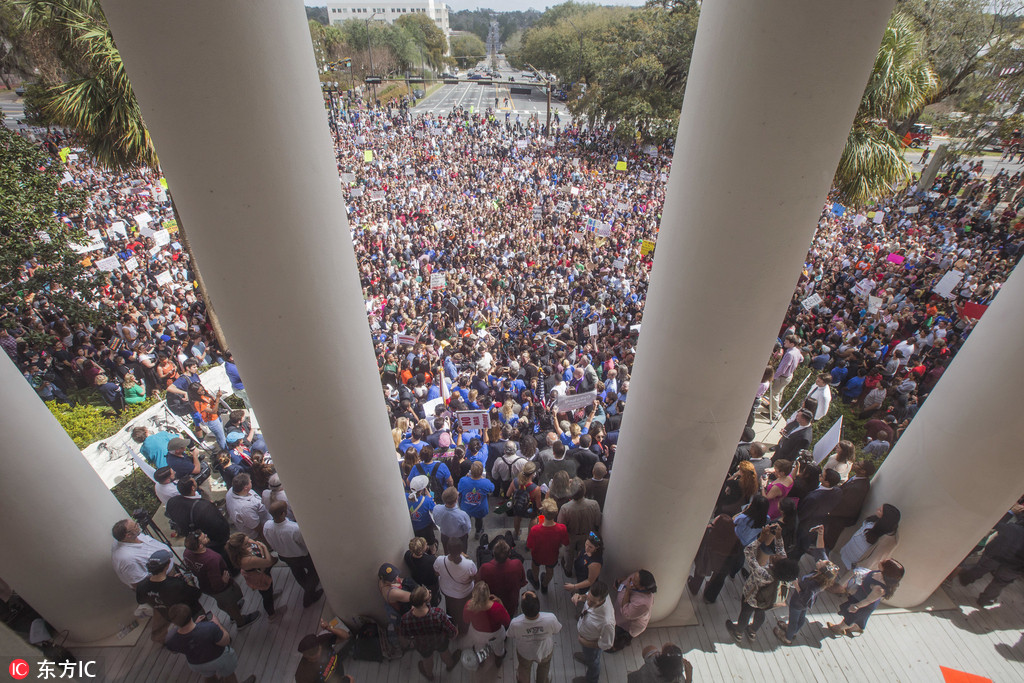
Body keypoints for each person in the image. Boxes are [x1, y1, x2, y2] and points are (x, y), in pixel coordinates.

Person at [725, 524, 800, 642]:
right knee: (760, 614)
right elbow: (781, 551)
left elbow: (748, 552)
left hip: (751, 597)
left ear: (776, 566)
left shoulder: (763, 574)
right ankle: (753, 631)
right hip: (768, 601)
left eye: (776, 558)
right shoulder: (787, 576)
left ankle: (738, 632)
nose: (776, 556)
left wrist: (760, 539)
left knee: (745, 613)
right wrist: (778, 536)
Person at [774, 526, 839, 644]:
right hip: (805, 604)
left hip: (798, 602)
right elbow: (821, 551)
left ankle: (788, 637)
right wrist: (820, 534)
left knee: (794, 620)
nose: (819, 561)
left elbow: (804, 599)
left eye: (821, 563)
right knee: (801, 617)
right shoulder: (823, 576)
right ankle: (793, 631)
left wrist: (797, 585)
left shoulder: (814, 584)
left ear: (821, 571)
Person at [182, 531, 259, 629]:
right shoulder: (212, 559)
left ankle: (233, 612)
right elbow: (217, 585)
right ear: (200, 546)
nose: (206, 535)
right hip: (222, 589)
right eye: (204, 537)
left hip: (205, 586)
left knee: (226, 603)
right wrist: (223, 582)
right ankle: (240, 621)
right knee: (228, 603)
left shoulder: (187, 553)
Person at [165, 604, 256, 683]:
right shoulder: (209, 628)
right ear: (190, 615)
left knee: (208, 675)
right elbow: (226, 640)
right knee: (229, 675)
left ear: (175, 622)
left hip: (196, 664)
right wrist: (217, 624)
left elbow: (175, 649)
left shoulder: (170, 638)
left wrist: (194, 626)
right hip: (219, 658)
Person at [262, 500, 323, 608]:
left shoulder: (267, 526)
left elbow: (269, 541)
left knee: (297, 573)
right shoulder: (294, 529)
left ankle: (307, 589)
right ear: (283, 513)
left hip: (284, 556)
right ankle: (309, 594)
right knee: (314, 572)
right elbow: (304, 543)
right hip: (300, 556)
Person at [136, 549, 203, 644]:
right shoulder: (177, 585)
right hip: (188, 612)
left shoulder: (142, 586)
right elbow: (196, 594)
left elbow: (141, 600)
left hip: (168, 614)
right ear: (167, 566)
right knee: (201, 625)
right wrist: (189, 582)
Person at [828, 558, 905, 636]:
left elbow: (868, 601)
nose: (880, 561)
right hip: (859, 596)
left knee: (850, 617)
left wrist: (856, 606)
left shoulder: (879, 589)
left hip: (863, 604)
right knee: (855, 617)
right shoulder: (880, 573)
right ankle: (856, 628)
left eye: (883, 563)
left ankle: (839, 628)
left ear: (887, 570)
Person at [398, 586, 460, 680]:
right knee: (445, 652)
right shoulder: (438, 613)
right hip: (439, 640)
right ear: (425, 602)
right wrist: (455, 632)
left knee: (427, 659)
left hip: (422, 644)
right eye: (428, 594)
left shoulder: (405, 619)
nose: (430, 592)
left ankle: (429, 675)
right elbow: (451, 630)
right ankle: (450, 665)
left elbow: (405, 634)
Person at [957, 520, 1024, 607]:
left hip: (996, 554)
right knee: (999, 582)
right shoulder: (1012, 528)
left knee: (981, 568)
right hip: (1015, 565)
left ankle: (965, 578)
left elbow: (995, 524)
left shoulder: (1012, 527)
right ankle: (984, 600)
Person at [836, 504, 901, 590]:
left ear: (885, 517)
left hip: (857, 559)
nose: (877, 509)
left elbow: (872, 560)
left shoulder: (887, 539)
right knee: (843, 568)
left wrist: (842, 583)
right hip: (850, 552)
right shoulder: (875, 520)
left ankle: (841, 588)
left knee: (847, 575)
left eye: (880, 510)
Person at [225, 532, 286, 621]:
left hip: (258, 572)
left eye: (248, 538)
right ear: (240, 548)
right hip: (259, 577)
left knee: (267, 592)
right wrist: (264, 547)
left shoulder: (239, 553)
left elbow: (254, 543)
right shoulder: (247, 560)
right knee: (266, 595)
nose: (250, 542)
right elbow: (268, 561)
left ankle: (271, 596)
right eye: (246, 543)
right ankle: (272, 615)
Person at [507, 590, 562, 683]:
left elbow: (510, 634)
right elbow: (556, 630)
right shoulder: (550, 618)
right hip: (545, 651)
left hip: (525, 653)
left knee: (524, 669)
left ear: (523, 609)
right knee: (544, 668)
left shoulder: (515, 623)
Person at [166, 476, 231, 554]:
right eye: (194, 481)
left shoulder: (171, 502)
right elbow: (221, 527)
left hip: (194, 539)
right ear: (193, 488)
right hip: (213, 543)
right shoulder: (204, 508)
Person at [823, 460, 874, 551]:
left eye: (858, 464)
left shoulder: (859, 488)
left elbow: (846, 505)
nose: (855, 464)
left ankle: (823, 553)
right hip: (836, 513)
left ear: (863, 471)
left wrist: (830, 512)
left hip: (840, 517)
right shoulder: (857, 478)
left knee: (830, 536)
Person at [111, 518, 177, 588]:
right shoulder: (127, 559)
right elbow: (139, 584)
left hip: (169, 567)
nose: (138, 525)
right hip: (166, 581)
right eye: (135, 526)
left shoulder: (133, 536)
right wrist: (167, 583)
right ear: (128, 535)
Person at [571, 580, 615, 683]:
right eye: (589, 599)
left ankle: (591, 679)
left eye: (593, 602)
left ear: (602, 600)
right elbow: (586, 596)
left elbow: (607, 644)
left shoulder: (607, 622)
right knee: (588, 655)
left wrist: (586, 643)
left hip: (592, 643)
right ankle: (587, 657)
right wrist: (580, 597)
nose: (588, 603)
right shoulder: (596, 594)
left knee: (593, 662)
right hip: (585, 636)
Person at [463, 581, 512, 671]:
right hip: (495, 634)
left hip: (477, 633)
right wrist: (501, 603)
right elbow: (507, 621)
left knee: (479, 647)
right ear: (488, 594)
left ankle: (481, 661)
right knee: (499, 648)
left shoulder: (468, 605)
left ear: (474, 594)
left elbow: (466, 620)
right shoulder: (497, 607)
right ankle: (498, 660)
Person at [434, 537, 477, 637]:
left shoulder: (440, 560)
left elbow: (436, 573)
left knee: (451, 609)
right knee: (465, 610)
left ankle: (453, 624)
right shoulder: (469, 564)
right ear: (461, 550)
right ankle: (464, 629)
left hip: (447, 592)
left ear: (448, 549)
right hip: (465, 593)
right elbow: (474, 576)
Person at [558, 482, 602, 577]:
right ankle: (581, 567)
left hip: (571, 535)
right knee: (584, 552)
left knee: (568, 553)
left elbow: (561, 526)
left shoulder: (565, 508)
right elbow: (598, 521)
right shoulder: (594, 504)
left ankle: (568, 569)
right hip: (587, 534)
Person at [527, 498, 570, 595]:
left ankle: (536, 581)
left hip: (537, 555)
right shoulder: (562, 529)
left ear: (543, 512)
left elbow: (529, 545)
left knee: (535, 567)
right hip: (552, 556)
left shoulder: (535, 529)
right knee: (550, 571)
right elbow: (566, 543)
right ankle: (545, 585)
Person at [608, 570, 657, 653]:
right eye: (634, 577)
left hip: (627, 624)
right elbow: (628, 580)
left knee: (618, 637)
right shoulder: (636, 578)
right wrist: (622, 582)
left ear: (642, 588)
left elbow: (626, 613)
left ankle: (614, 648)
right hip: (619, 615)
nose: (631, 580)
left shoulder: (643, 604)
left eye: (635, 580)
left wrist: (627, 591)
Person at [477, 539, 527, 617]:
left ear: (493, 554)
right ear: (509, 553)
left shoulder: (485, 568)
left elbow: (479, 586)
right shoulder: (517, 564)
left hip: (493, 604)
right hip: (511, 604)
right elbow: (522, 582)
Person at [224, 473, 270, 543]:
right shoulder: (245, 508)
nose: (251, 481)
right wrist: (268, 538)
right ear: (245, 488)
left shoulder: (232, 490)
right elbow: (257, 527)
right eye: (250, 481)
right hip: (258, 533)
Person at [768, 334, 802, 421]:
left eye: (786, 342)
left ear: (792, 343)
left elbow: (783, 368)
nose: (784, 342)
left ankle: (774, 413)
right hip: (789, 376)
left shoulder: (790, 354)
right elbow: (801, 359)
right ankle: (773, 407)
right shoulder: (797, 351)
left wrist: (773, 377)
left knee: (774, 394)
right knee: (779, 393)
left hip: (782, 376)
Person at [458, 461, 495, 539]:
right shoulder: (486, 482)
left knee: (466, 519)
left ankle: (465, 533)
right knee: (479, 520)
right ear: (481, 472)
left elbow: (459, 489)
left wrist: (466, 476)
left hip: (466, 507)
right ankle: (478, 532)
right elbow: (492, 489)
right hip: (479, 508)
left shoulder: (463, 480)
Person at [508, 462, 543, 539]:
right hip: (529, 509)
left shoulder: (515, 481)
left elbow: (508, 494)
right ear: (533, 474)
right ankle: (529, 539)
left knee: (517, 516)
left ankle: (517, 534)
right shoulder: (536, 488)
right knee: (534, 518)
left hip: (518, 506)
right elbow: (538, 505)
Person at [433, 486, 472, 554]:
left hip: (445, 536)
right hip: (460, 538)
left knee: (447, 551)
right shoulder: (462, 515)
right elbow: (467, 528)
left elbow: (437, 522)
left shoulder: (436, 509)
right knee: (462, 553)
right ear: (456, 499)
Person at [626, 644, 692, 683]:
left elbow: (647, 650)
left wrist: (658, 653)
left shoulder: (652, 661)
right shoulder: (679, 679)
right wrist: (689, 678)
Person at [404, 537, 441, 607]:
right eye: (425, 544)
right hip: (431, 582)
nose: (427, 543)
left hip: (418, 580)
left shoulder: (407, 555)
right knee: (433, 595)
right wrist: (433, 554)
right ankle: (434, 603)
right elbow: (437, 570)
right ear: (422, 549)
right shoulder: (431, 560)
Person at [408, 475, 438, 551]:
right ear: (422, 490)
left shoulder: (405, 497)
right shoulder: (427, 501)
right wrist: (429, 495)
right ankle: (433, 553)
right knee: (431, 543)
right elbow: (434, 508)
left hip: (412, 528)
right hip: (426, 528)